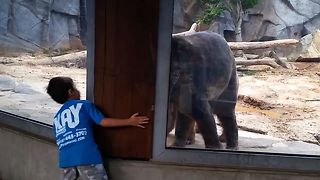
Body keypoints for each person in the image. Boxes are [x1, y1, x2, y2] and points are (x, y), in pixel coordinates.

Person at [46, 76, 149, 180]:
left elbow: (59, 139)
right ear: (70, 92)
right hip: (86, 156)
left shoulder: (57, 118)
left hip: (66, 159)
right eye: (75, 87)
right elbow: (103, 122)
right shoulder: (84, 105)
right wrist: (129, 121)